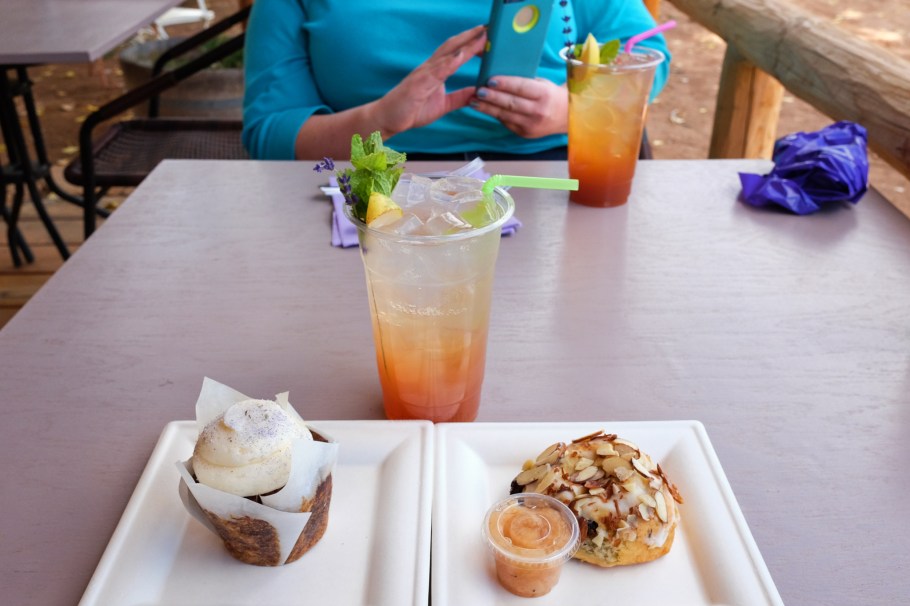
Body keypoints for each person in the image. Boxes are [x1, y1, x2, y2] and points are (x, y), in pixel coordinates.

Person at [241, 0, 670, 161]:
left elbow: (647, 60)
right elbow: (270, 134)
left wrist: (569, 110)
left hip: (553, 178)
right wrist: (378, 120)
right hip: (372, 187)